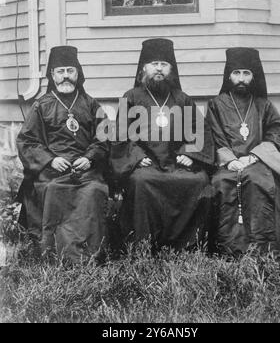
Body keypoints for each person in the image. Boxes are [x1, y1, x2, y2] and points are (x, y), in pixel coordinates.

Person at [110, 38, 214, 252]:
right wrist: (137, 157)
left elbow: (200, 130)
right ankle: (144, 246)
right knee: (141, 181)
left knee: (199, 180)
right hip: (146, 164)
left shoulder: (182, 99)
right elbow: (120, 134)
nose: (159, 68)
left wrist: (190, 153)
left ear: (171, 69)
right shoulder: (130, 97)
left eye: (164, 64)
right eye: (154, 63)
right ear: (143, 68)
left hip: (176, 162)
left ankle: (187, 246)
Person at [17, 46, 110, 263]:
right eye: (60, 71)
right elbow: (27, 141)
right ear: (52, 75)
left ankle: (90, 254)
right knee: (54, 190)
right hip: (52, 171)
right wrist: (50, 159)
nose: (66, 76)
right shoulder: (42, 105)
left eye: (70, 70)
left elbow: (104, 138)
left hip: (85, 169)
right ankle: (55, 255)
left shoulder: (91, 104)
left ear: (78, 73)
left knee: (94, 190)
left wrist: (89, 158)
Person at [207, 47, 280, 257]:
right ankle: (229, 249)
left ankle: (262, 248)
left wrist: (254, 156)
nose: (241, 78)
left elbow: (277, 134)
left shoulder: (263, 105)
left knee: (260, 181)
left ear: (254, 76)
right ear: (228, 75)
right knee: (222, 183)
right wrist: (230, 160)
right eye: (236, 73)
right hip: (228, 164)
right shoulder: (216, 104)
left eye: (246, 73)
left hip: (259, 162)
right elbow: (213, 136)